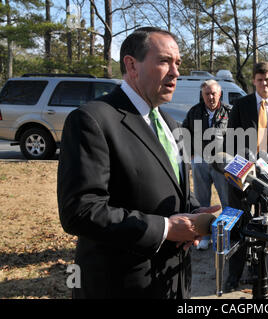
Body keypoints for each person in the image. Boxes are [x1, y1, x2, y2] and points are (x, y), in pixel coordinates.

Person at [57, 27, 220, 299]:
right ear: (132, 65)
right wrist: (166, 229)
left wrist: (193, 211)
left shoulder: (170, 124)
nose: (176, 72)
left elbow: (169, 184)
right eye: (164, 61)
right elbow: (80, 211)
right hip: (121, 285)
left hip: (172, 282)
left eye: (177, 63)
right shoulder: (92, 120)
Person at [225, 61, 268, 292]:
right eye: (259, 79)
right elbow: (230, 141)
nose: (264, 83)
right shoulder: (241, 105)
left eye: (267, 79)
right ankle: (234, 273)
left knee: (264, 226)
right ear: (254, 81)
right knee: (239, 224)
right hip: (243, 176)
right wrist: (239, 169)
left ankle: (259, 271)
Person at [182, 79, 231, 250]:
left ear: (220, 94)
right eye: (207, 94)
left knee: (226, 201)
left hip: (221, 164)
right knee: (202, 203)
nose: (210, 97)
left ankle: (224, 238)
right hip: (200, 162)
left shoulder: (229, 112)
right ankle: (204, 237)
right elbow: (184, 133)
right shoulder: (194, 112)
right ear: (202, 95)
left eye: (213, 93)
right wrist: (191, 154)